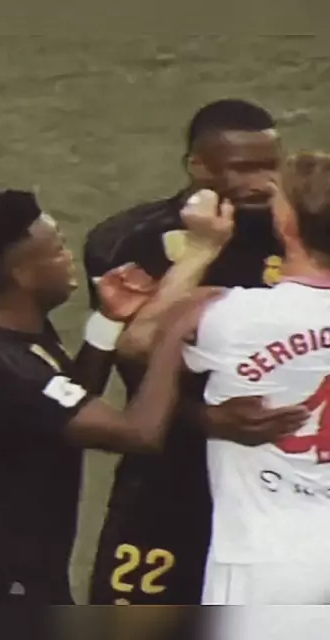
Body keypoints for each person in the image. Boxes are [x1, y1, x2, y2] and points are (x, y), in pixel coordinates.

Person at [0, 188, 239, 604]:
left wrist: (108, 321)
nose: (68, 257)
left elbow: (68, 400)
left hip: (19, 572)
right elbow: (139, 433)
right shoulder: (6, 368)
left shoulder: (6, 332)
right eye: (56, 250)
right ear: (22, 274)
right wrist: (171, 335)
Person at [85, 99, 297, 605]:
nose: (263, 182)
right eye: (243, 168)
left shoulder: (301, 237)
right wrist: (205, 418)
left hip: (279, 483)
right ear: (198, 166)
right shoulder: (132, 242)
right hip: (171, 481)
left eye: (271, 165)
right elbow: (133, 363)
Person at [182, 153, 330, 604]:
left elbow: (138, 342)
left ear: (285, 224)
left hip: (264, 561)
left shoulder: (230, 316)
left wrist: (201, 249)